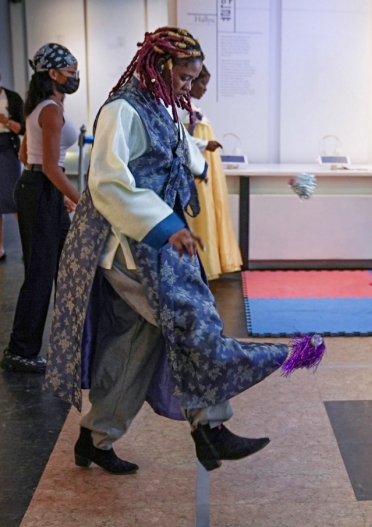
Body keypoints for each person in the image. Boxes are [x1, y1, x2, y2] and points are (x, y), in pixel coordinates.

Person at [45, 28, 291, 475]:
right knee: (190, 322)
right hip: (127, 246)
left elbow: (173, 147)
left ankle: (95, 437)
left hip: (154, 243)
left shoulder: (160, 105)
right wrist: (166, 225)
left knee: (135, 340)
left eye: (192, 77)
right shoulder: (122, 109)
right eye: (184, 76)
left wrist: (200, 153)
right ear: (160, 67)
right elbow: (107, 181)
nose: (188, 86)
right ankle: (211, 430)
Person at [0, 44, 81, 373]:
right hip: (40, 190)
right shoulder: (49, 109)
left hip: (40, 190)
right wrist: (78, 197)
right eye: (71, 72)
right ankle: (20, 351)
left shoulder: (43, 105)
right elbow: (49, 166)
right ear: (53, 74)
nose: (75, 77)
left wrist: (56, 192)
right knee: (40, 273)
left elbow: (26, 157)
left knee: (63, 268)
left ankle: (67, 343)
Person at [178, 65, 242, 280]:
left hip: (202, 168)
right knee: (198, 216)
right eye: (202, 83)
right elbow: (180, 140)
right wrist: (205, 144)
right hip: (193, 170)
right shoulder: (183, 111)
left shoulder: (193, 109)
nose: (204, 88)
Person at [0, 74, 25, 261]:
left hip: (8, 147)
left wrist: (5, 120)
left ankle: (28, 244)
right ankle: (0, 249)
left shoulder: (12, 98)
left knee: (15, 197)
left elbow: (22, 128)